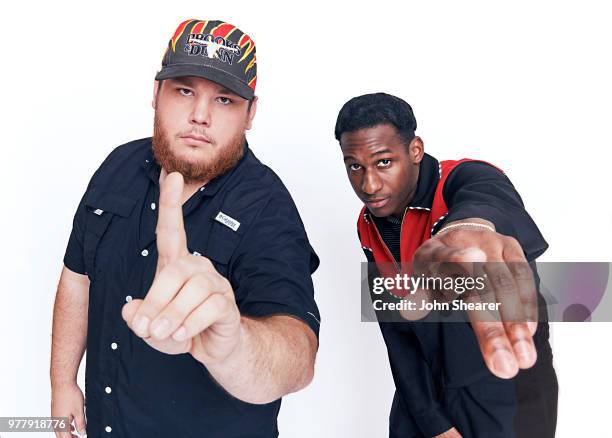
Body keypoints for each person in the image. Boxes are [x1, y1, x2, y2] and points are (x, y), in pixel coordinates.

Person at [50, 19, 321, 438]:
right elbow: (77, 278)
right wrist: (63, 383)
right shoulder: (116, 167)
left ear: (251, 114)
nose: (200, 116)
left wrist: (232, 344)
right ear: (155, 94)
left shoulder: (268, 208)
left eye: (225, 100)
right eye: (185, 91)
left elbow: (297, 356)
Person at [335, 93, 558, 437]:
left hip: (504, 386)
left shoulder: (463, 178)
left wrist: (467, 227)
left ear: (415, 150)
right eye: (354, 166)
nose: (369, 184)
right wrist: (433, 422)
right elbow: (396, 333)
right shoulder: (369, 222)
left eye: (383, 162)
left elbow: (487, 198)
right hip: (424, 395)